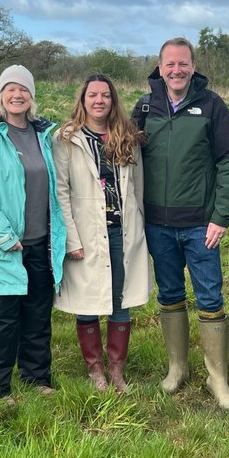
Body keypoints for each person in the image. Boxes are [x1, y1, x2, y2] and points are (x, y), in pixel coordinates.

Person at [134, 37, 229, 410]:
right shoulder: (146, 105)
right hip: (158, 224)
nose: (176, 70)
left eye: (183, 64)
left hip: (201, 226)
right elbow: (123, 148)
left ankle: (218, 379)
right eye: (170, 64)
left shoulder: (212, 105)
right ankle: (177, 369)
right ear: (159, 67)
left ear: (193, 66)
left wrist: (221, 216)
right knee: (169, 295)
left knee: (210, 297)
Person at [0, 65, 66, 400]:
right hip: (2, 246)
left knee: (37, 314)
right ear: (0, 95)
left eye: (23, 89)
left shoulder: (45, 137)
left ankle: (36, 378)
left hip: (39, 243)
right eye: (10, 89)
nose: (17, 95)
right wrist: (5, 237)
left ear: (32, 96)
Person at [54, 74, 150, 394]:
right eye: (92, 95)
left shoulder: (126, 137)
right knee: (88, 300)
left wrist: (140, 229)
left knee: (121, 301)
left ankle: (117, 369)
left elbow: (138, 188)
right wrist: (71, 238)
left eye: (105, 95)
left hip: (122, 232)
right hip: (87, 234)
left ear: (113, 100)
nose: (99, 100)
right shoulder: (67, 139)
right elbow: (61, 192)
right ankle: (95, 370)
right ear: (83, 100)